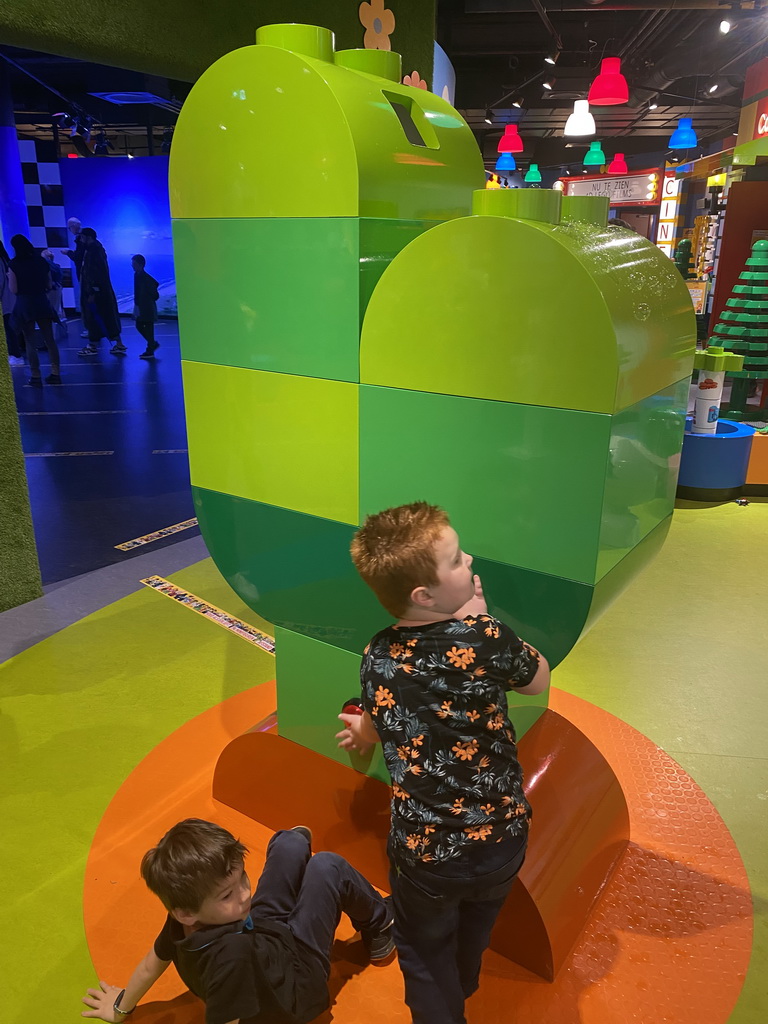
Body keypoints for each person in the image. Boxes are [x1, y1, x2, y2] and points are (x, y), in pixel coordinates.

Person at [336, 502, 550, 1024]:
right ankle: (463, 990)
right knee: (474, 933)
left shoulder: (377, 654)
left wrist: (364, 730)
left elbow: (394, 712)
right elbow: (538, 679)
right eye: (456, 560)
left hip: (425, 853)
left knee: (424, 954)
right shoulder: (485, 638)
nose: (469, 559)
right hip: (499, 841)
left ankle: (444, 1006)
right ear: (424, 594)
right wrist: (479, 621)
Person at [80, 818, 394, 1024]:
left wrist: (121, 1007)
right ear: (187, 911)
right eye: (227, 895)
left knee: (289, 842)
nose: (245, 894)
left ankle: (295, 849)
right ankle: (381, 926)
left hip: (264, 934)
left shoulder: (183, 920)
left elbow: (153, 961)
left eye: (243, 877)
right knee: (328, 867)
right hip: (300, 977)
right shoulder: (233, 957)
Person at [7, 235, 61, 386]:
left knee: (30, 341)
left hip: (25, 304)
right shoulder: (41, 261)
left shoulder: (14, 264)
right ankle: (55, 373)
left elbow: (14, 289)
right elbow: (49, 285)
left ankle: (36, 376)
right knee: (49, 339)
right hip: (42, 301)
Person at [78, 227, 125, 357]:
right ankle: (118, 344)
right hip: (100, 292)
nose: (80, 240)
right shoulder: (95, 249)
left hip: (96, 293)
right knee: (106, 317)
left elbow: (97, 273)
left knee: (95, 318)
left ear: (89, 237)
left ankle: (93, 345)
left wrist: (93, 292)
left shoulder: (94, 251)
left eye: (82, 237)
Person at [61, 215, 88, 337]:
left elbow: (78, 257)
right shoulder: (84, 239)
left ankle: (91, 329)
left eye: (69, 227)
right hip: (85, 274)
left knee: (86, 302)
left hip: (84, 275)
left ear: (73, 226)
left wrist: (68, 253)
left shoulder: (80, 239)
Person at [1, 239, 25, 365]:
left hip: (5, 302)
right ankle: (15, 353)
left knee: (9, 329)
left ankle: (15, 354)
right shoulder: (6, 261)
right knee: (11, 328)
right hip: (11, 300)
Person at [131, 254, 160, 359]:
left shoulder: (145, 278)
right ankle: (151, 346)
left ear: (141, 264)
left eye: (134, 264)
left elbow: (155, 294)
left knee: (147, 328)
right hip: (142, 307)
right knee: (142, 326)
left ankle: (150, 349)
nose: (132, 266)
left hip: (147, 308)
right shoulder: (137, 275)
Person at [42, 248, 68, 342]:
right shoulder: (56, 267)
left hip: (50, 291)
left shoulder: (46, 265)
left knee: (48, 316)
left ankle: (48, 339)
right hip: (56, 289)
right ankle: (50, 339)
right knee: (54, 313)